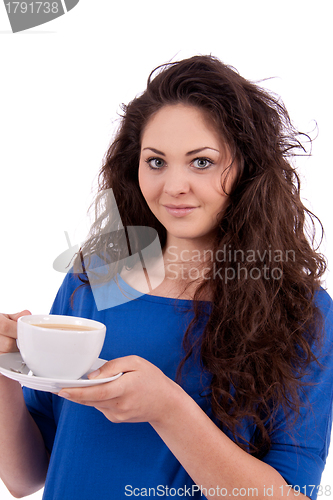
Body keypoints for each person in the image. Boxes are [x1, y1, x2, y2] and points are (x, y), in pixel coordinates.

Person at [0, 55, 332, 500]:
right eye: (156, 162)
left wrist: (170, 410)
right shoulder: (96, 279)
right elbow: (25, 478)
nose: (174, 186)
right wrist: (4, 373)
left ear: (249, 169)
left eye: (201, 162)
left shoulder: (302, 312)